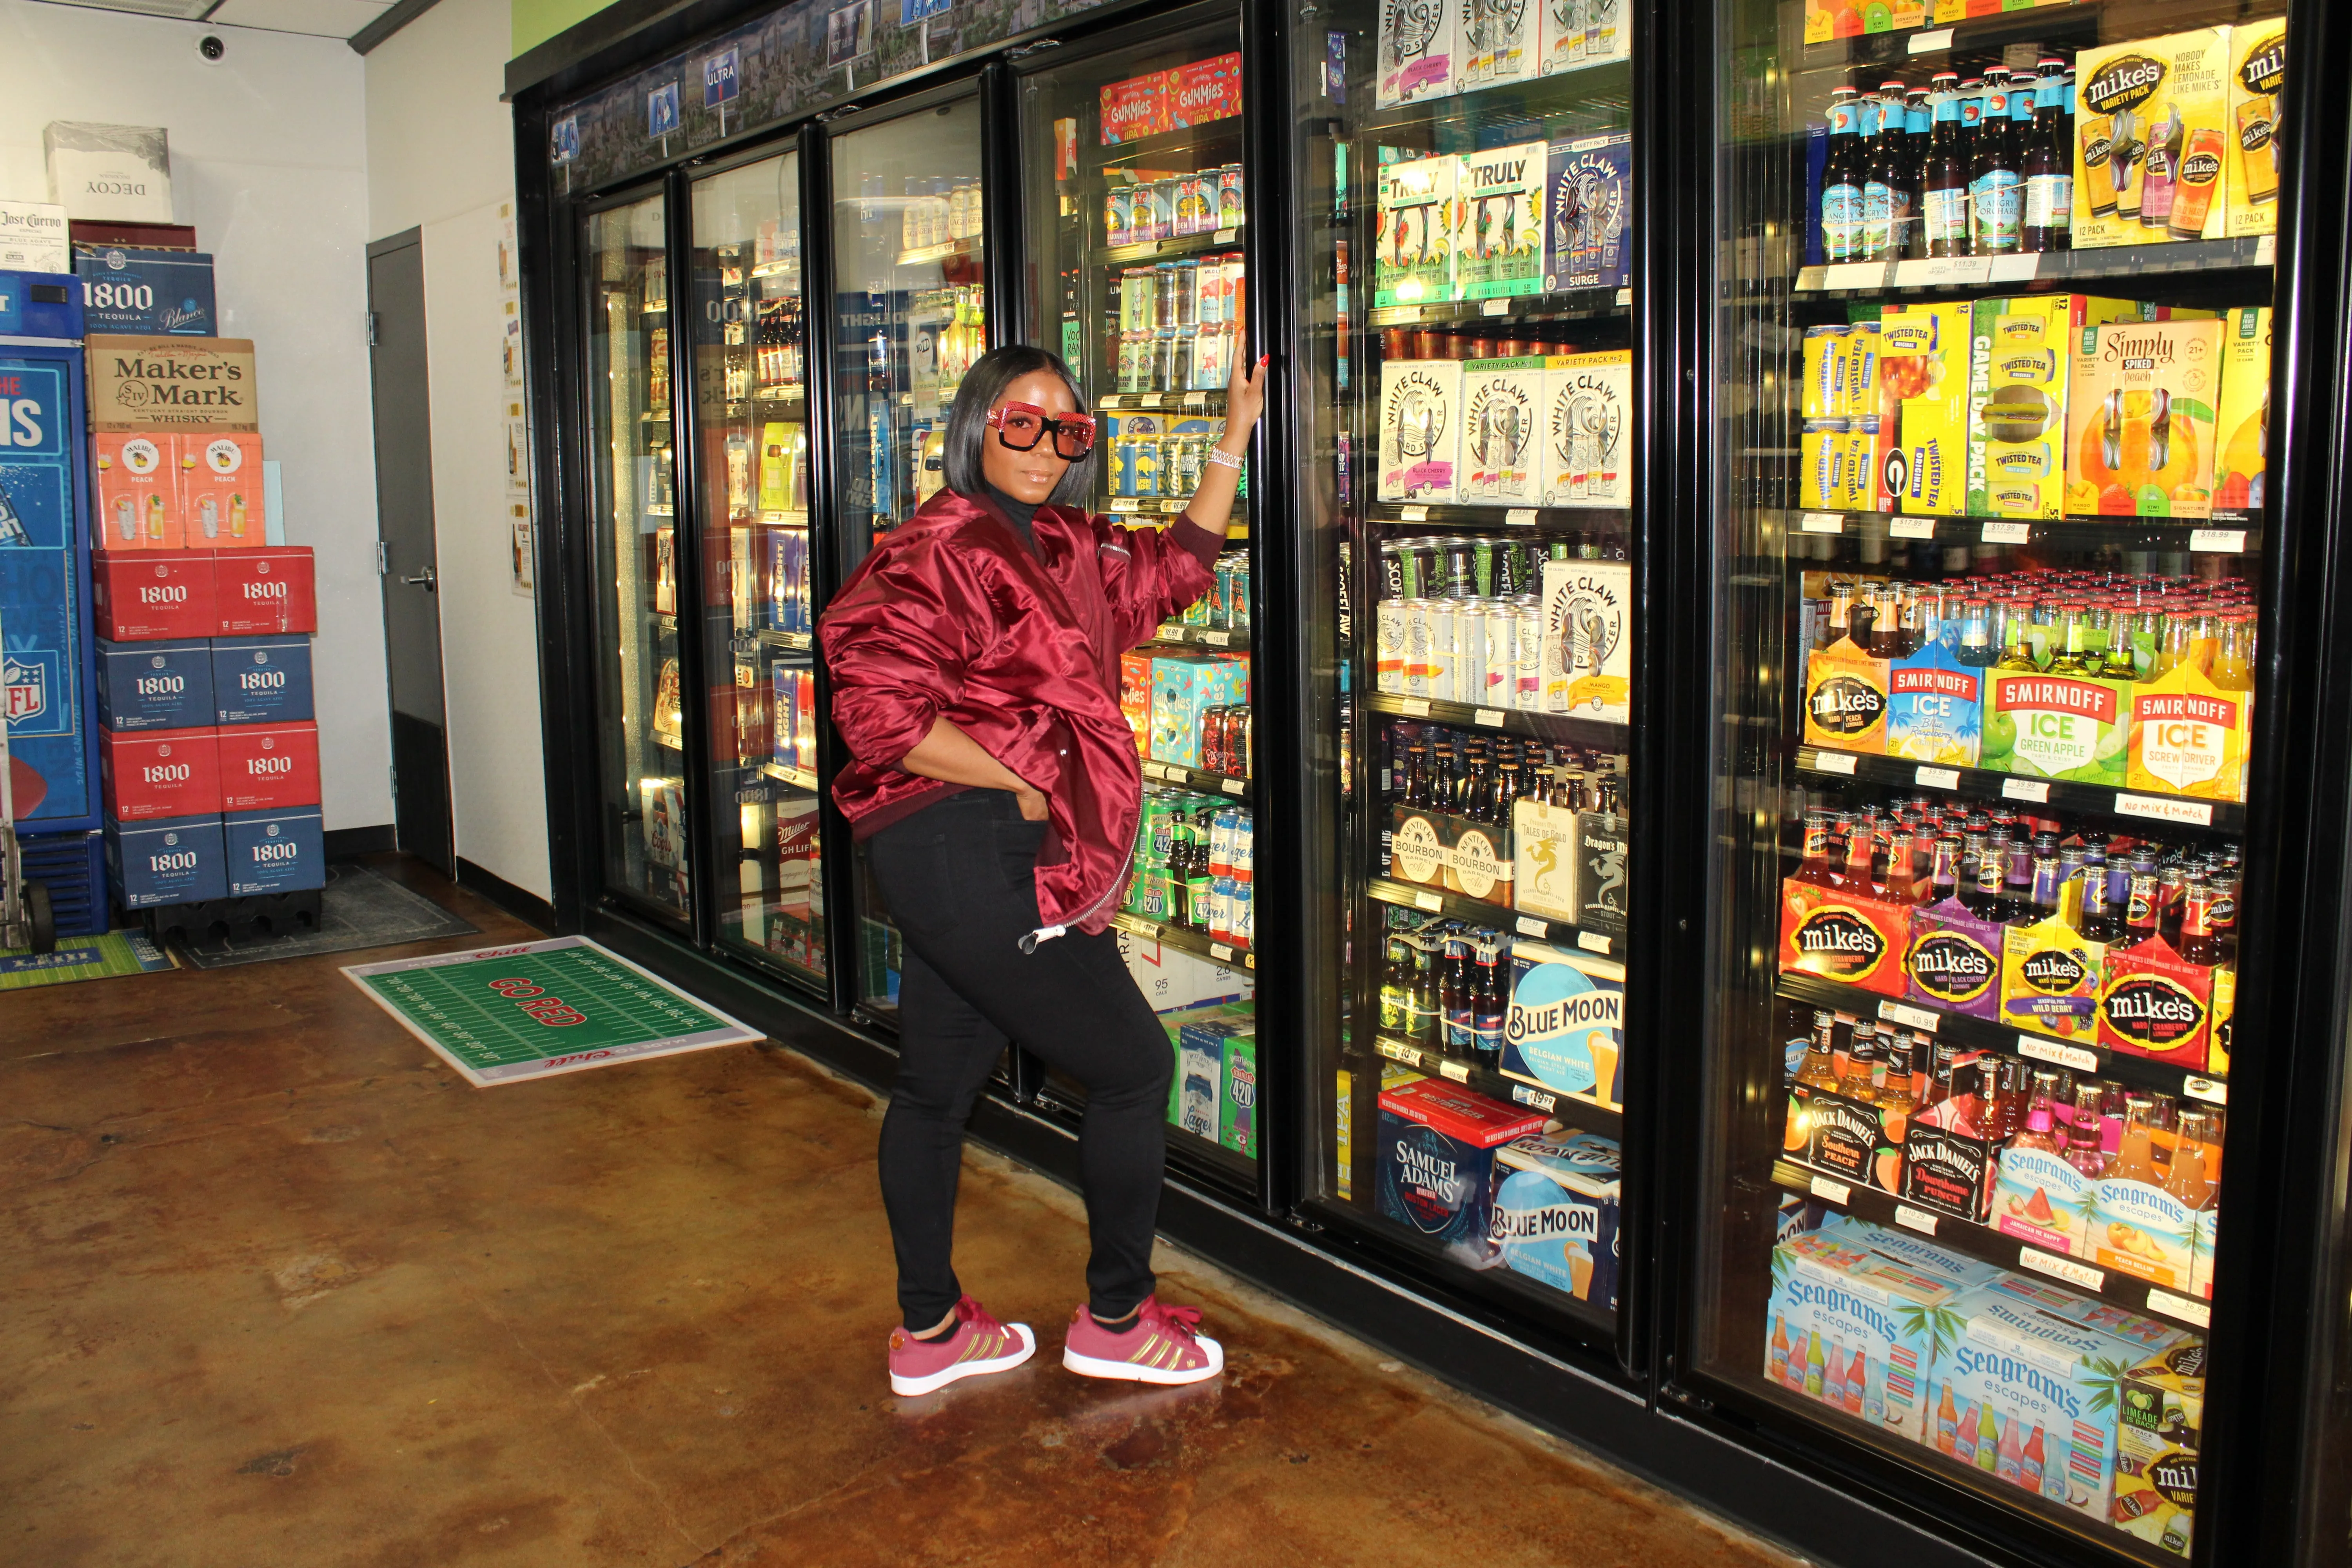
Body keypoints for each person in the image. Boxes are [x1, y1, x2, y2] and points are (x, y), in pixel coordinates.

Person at [820, 339, 1268, 1397]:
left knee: (936, 1087)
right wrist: (1018, 785)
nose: (1043, 445)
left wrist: (1235, 435)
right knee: (1131, 1068)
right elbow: (877, 717)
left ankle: (930, 1333)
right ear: (977, 426)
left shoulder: (1063, 540)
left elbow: (1175, 571)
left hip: (960, 850)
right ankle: (1115, 1315)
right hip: (966, 839)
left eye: (1067, 430)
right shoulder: (939, 543)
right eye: (1020, 422)